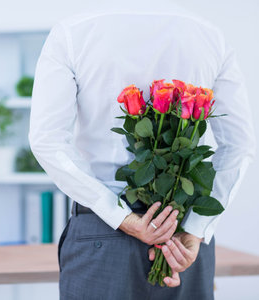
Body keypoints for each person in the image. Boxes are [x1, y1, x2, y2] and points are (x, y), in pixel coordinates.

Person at [28, 1, 256, 299]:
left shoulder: (73, 32)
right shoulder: (209, 34)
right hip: (182, 234)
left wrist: (123, 218)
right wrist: (195, 229)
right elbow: (239, 145)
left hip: (104, 233)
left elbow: (47, 140)